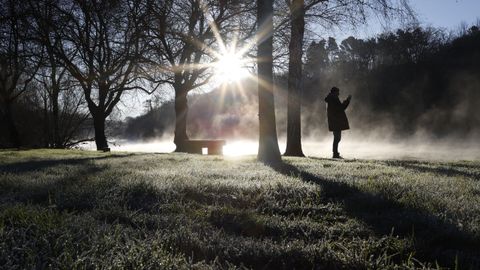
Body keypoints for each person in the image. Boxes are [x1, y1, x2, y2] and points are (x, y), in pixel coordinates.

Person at [324, 87, 351, 158]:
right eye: (337, 92)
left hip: (335, 121)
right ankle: (335, 154)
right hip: (335, 121)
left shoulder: (331, 99)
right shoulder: (333, 99)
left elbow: (339, 108)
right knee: (337, 138)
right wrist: (347, 101)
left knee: (337, 138)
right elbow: (341, 108)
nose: (338, 94)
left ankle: (335, 153)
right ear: (334, 92)